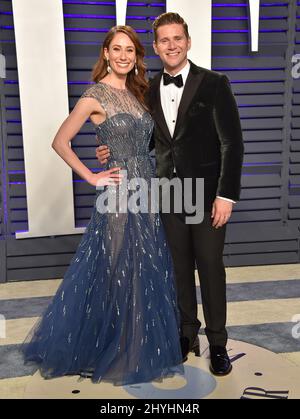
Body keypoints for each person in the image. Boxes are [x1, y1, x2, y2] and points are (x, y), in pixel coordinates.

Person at [22, 25, 184, 385]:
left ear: (135, 55)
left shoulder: (140, 93)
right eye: (117, 49)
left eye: (130, 50)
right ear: (106, 54)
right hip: (120, 193)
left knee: (146, 267)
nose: (124, 56)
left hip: (148, 189)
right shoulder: (95, 96)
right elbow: (60, 141)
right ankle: (119, 349)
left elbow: (149, 143)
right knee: (118, 270)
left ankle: (140, 346)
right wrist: (92, 176)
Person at [96, 13, 244, 376]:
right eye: (164, 40)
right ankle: (186, 335)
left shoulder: (214, 83)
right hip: (167, 193)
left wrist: (226, 195)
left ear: (188, 41)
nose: (172, 45)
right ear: (157, 48)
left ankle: (218, 343)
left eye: (177, 38)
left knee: (210, 268)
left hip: (207, 196)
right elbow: (148, 139)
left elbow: (232, 143)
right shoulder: (148, 88)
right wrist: (110, 151)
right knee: (177, 269)